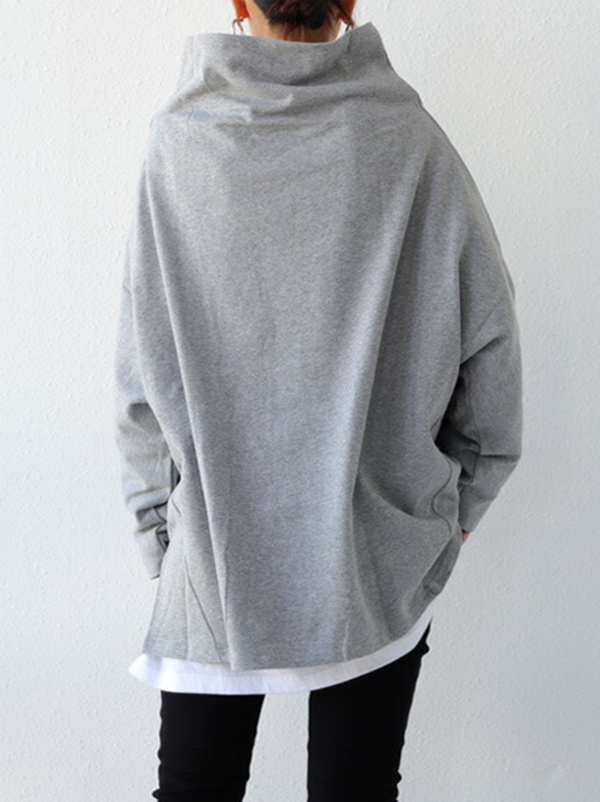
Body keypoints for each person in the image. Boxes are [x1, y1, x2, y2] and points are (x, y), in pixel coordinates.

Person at [113, 0, 523, 799]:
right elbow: (493, 349)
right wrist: (455, 510)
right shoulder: (415, 146)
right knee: (356, 790)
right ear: (349, 2)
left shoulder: (179, 146)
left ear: (240, 4)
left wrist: (161, 537)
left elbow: (141, 372)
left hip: (214, 559)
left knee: (196, 789)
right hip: (377, 560)